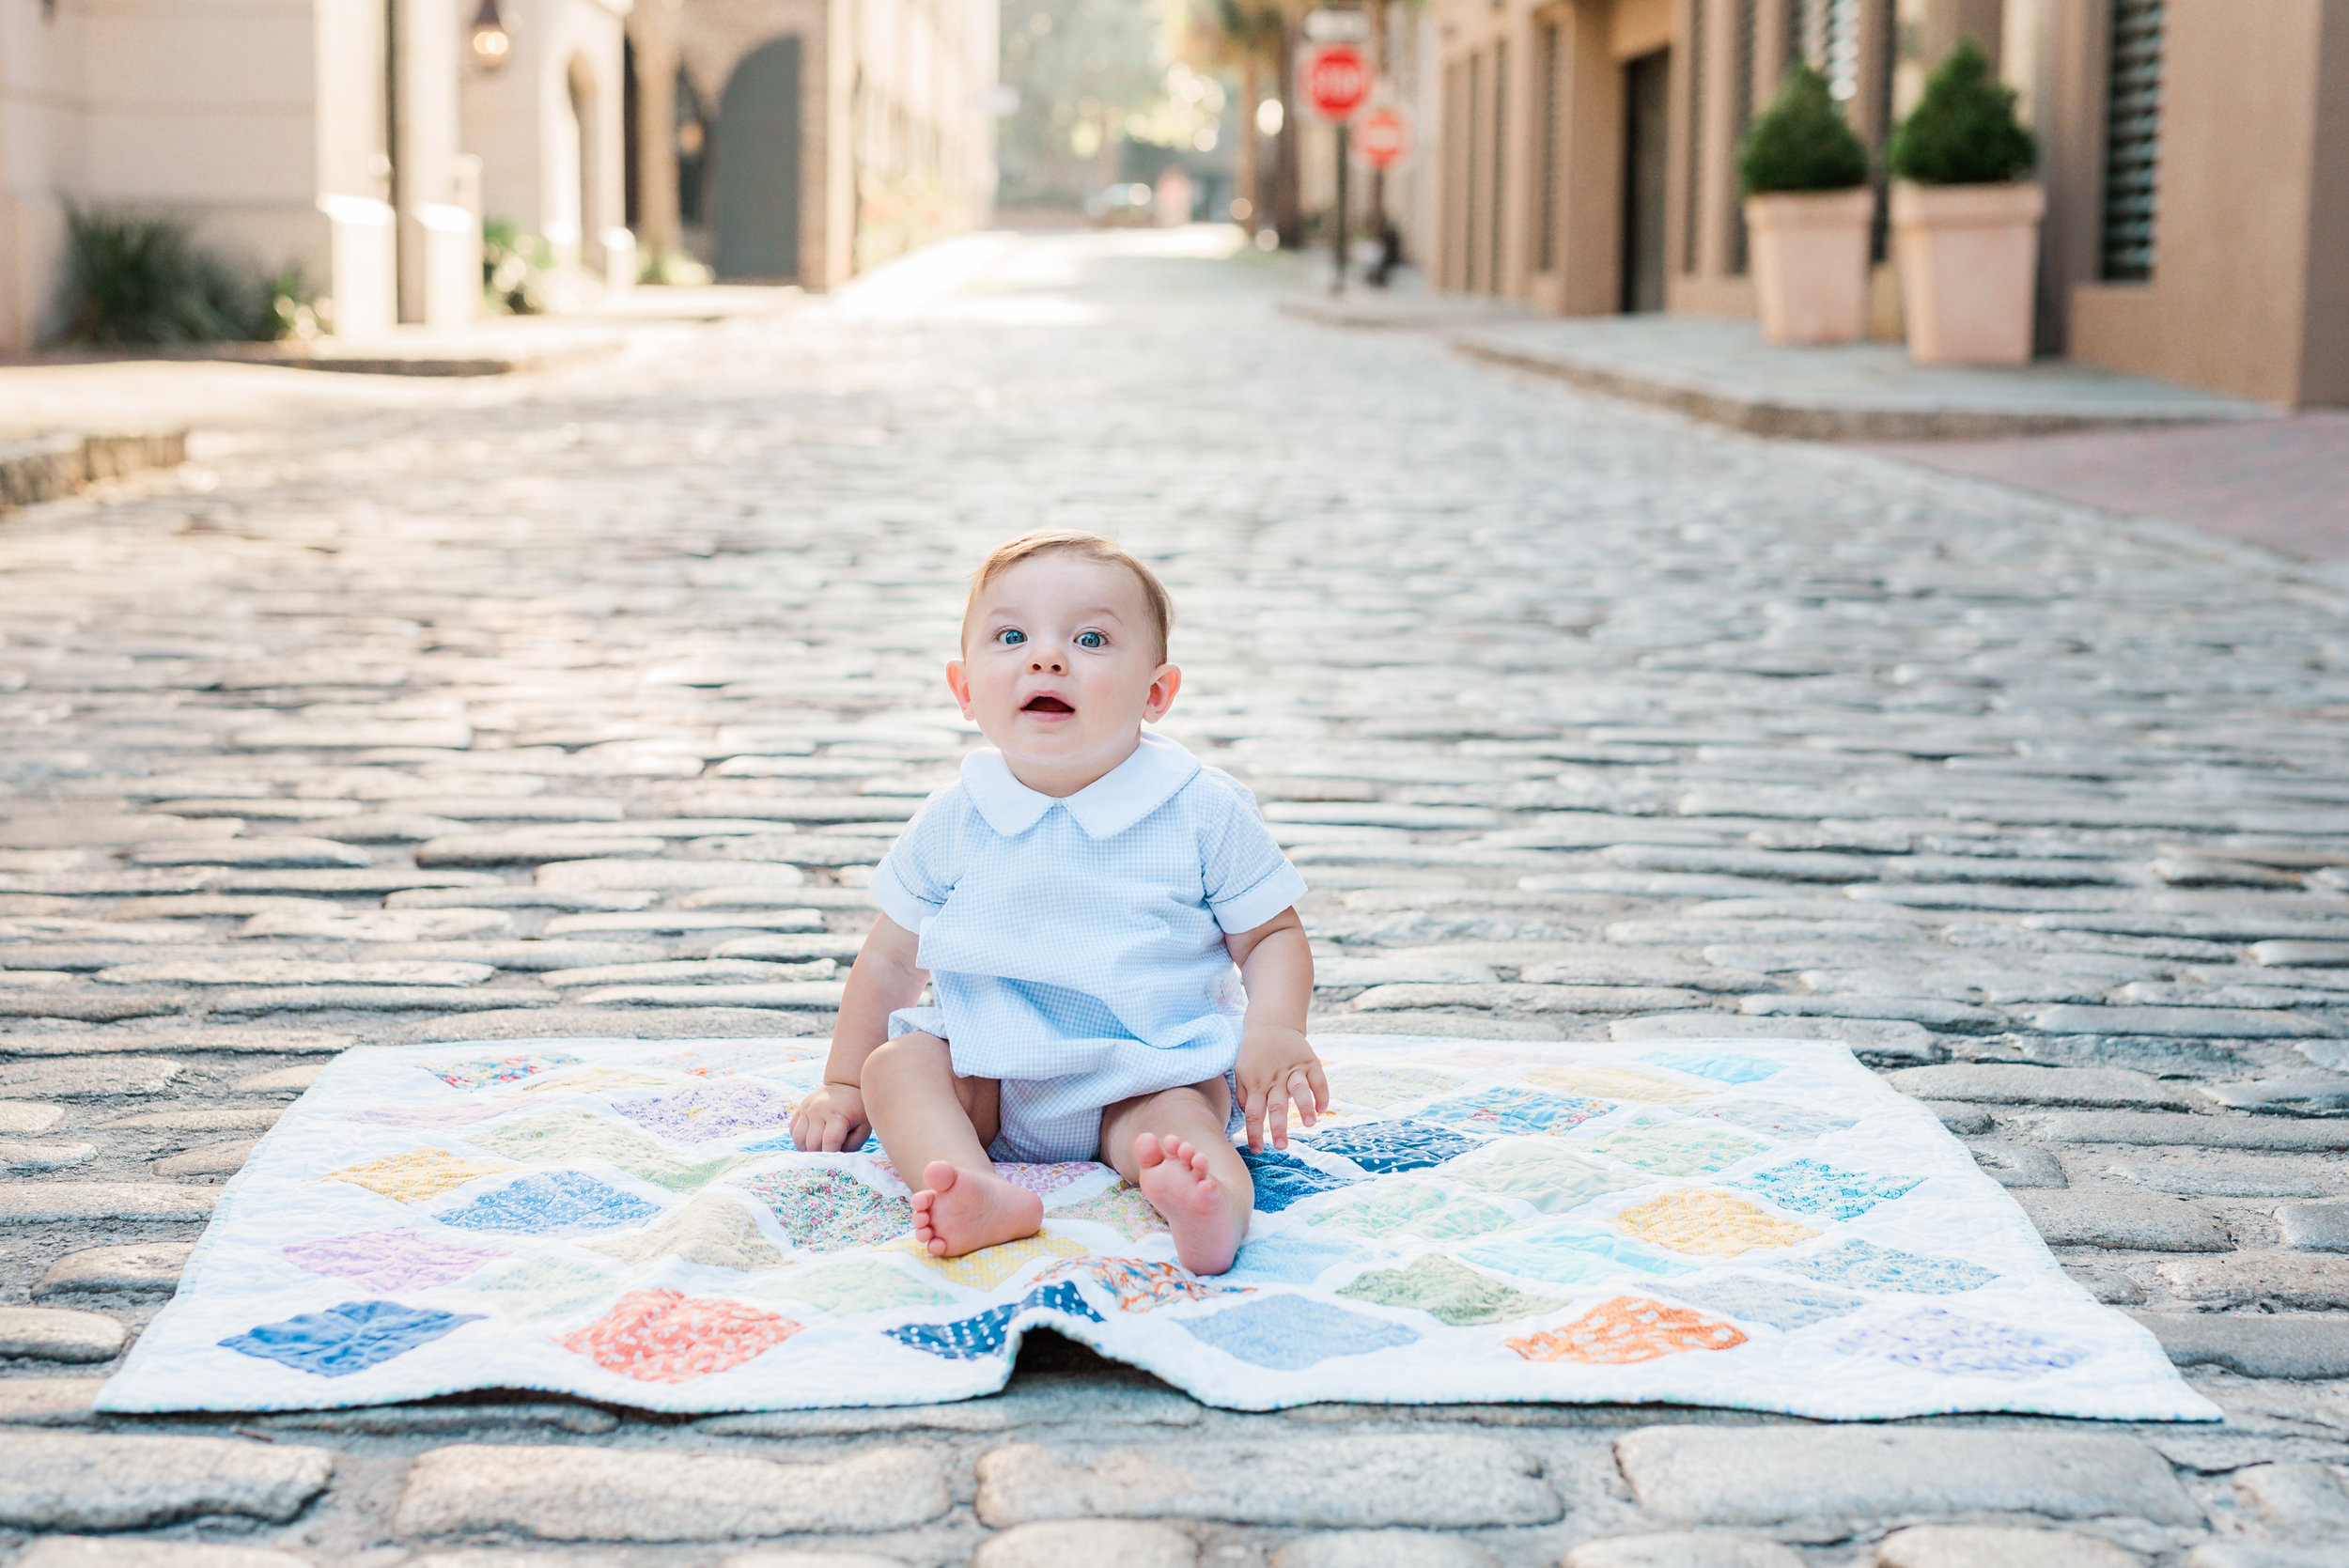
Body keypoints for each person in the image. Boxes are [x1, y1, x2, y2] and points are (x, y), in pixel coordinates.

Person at [788, 531, 1325, 1276]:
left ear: (1156, 693)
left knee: (1183, 1126)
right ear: (966, 690)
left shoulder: (1198, 808)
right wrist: (844, 1083)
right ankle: (971, 1183)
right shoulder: (957, 816)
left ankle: (1212, 1207)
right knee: (897, 1068)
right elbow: (887, 957)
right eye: (1011, 636)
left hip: (1144, 1067)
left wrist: (1272, 1028)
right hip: (991, 1076)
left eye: (1091, 638)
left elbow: (1270, 934)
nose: (1046, 657)